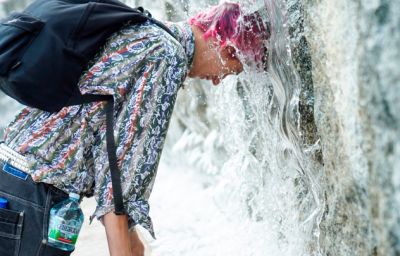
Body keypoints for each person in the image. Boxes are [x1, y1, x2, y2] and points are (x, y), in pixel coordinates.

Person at [0, 1, 268, 256]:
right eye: (233, 69)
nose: (218, 81)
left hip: (11, 179)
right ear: (228, 47)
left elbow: (110, 149)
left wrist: (133, 243)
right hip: (32, 201)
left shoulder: (146, 31)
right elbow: (119, 185)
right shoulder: (167, 57)